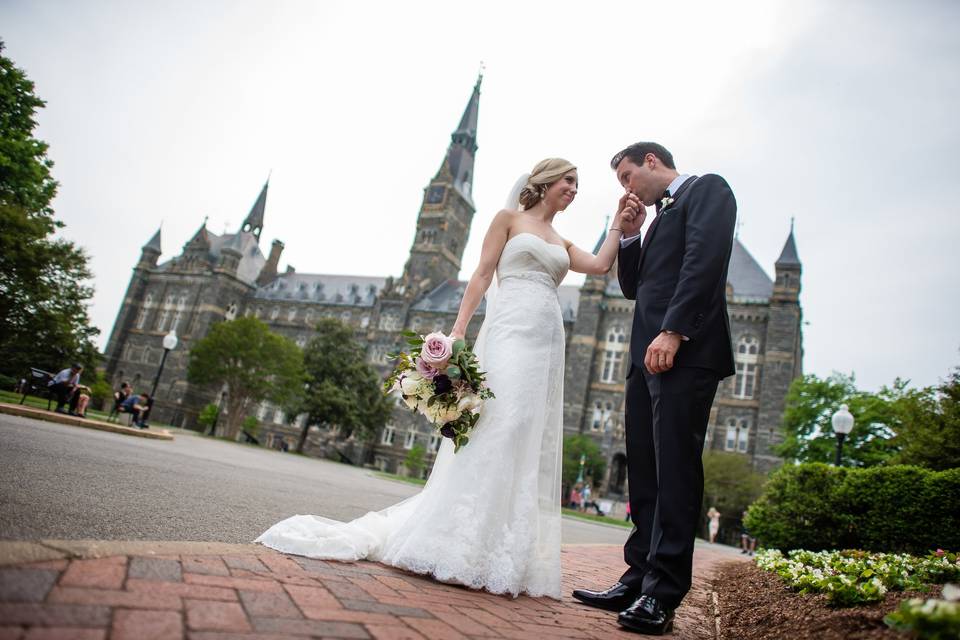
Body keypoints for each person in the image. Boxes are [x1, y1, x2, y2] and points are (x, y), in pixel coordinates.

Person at [257, 158, 630, 599]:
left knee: (523, 433)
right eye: (569, 181)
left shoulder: (562, 240)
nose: (574, 189)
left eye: (577, 184)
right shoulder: (508, 219)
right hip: (509, 329)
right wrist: (457, 330)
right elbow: (482, 274)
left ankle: (496, 548)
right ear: (546, 182)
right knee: (498, 422)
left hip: (546, 340)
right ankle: (455, 538)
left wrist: (620, 225)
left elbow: (602, 266)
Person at [573, 142, 737, 635]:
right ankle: (637, 576)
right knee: (644, 470)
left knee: (675, 471)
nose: (626, 188)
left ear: (650, 162)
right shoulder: (660, 218)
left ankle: (662, 594)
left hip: (683, 353)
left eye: (626, 176)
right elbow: (634, 287)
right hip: (643, 362)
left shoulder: (707, 190)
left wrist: (675, 330)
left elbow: (705, 262)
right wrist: (629, 236)